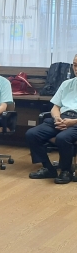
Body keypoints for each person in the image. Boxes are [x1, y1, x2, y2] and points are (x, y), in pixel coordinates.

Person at [26, 55, 77, 184]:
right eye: (75, 65)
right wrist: (57, 118)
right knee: (32, 134)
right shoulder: (67, 84)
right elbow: (55, 107)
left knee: (62, 138)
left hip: (75, 122)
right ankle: (48, 168)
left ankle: (66, 171)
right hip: (62, 118)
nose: (76, 68)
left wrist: (73, 122)